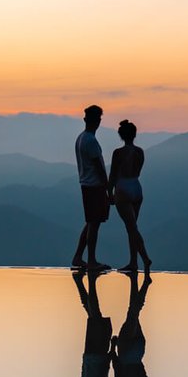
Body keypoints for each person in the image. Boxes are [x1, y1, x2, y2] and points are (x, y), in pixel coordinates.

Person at [70, 104, 111, 273]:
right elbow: (99, 168)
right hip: (95, 186)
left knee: (90, 223)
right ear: (97, 121)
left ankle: (79, 257)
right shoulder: (90, 141)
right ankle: (91, 260)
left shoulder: (81, 138)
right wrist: (108, 189)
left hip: (87, 185)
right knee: (94, 224)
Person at [107, 118, 152, 273]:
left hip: (123, 188)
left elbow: (113, 175)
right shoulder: (140, 152)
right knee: (133, 227)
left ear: (121, 135)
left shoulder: (118, 153)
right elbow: (138, 170)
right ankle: (133, 262)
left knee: (131, 228)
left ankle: (145, 258)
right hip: (136, 187)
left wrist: (109, 193)